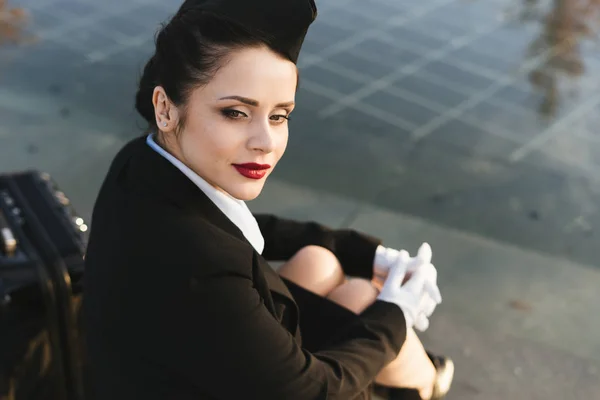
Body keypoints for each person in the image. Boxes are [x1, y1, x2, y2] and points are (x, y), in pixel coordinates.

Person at [82, 0, 454, 399]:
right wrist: (396, 313)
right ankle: (425, 385)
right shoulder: (199, 266)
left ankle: (422, 378)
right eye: (236, 113)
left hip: (153, 369)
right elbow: (310, 392)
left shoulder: (141, 163)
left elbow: (237, 231)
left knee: (319, 261)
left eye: (279, 116)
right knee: (370, 305)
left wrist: (366, 254)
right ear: (165, 107)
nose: (266, 143)